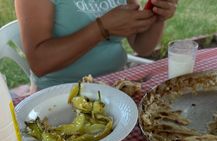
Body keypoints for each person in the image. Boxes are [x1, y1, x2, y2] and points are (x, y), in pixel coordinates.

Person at [15, 0, 178, 90]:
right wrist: (102, 29)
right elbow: (39, 62)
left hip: (116, 89)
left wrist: (158, 16)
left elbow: (142, 46)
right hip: (59, 95)